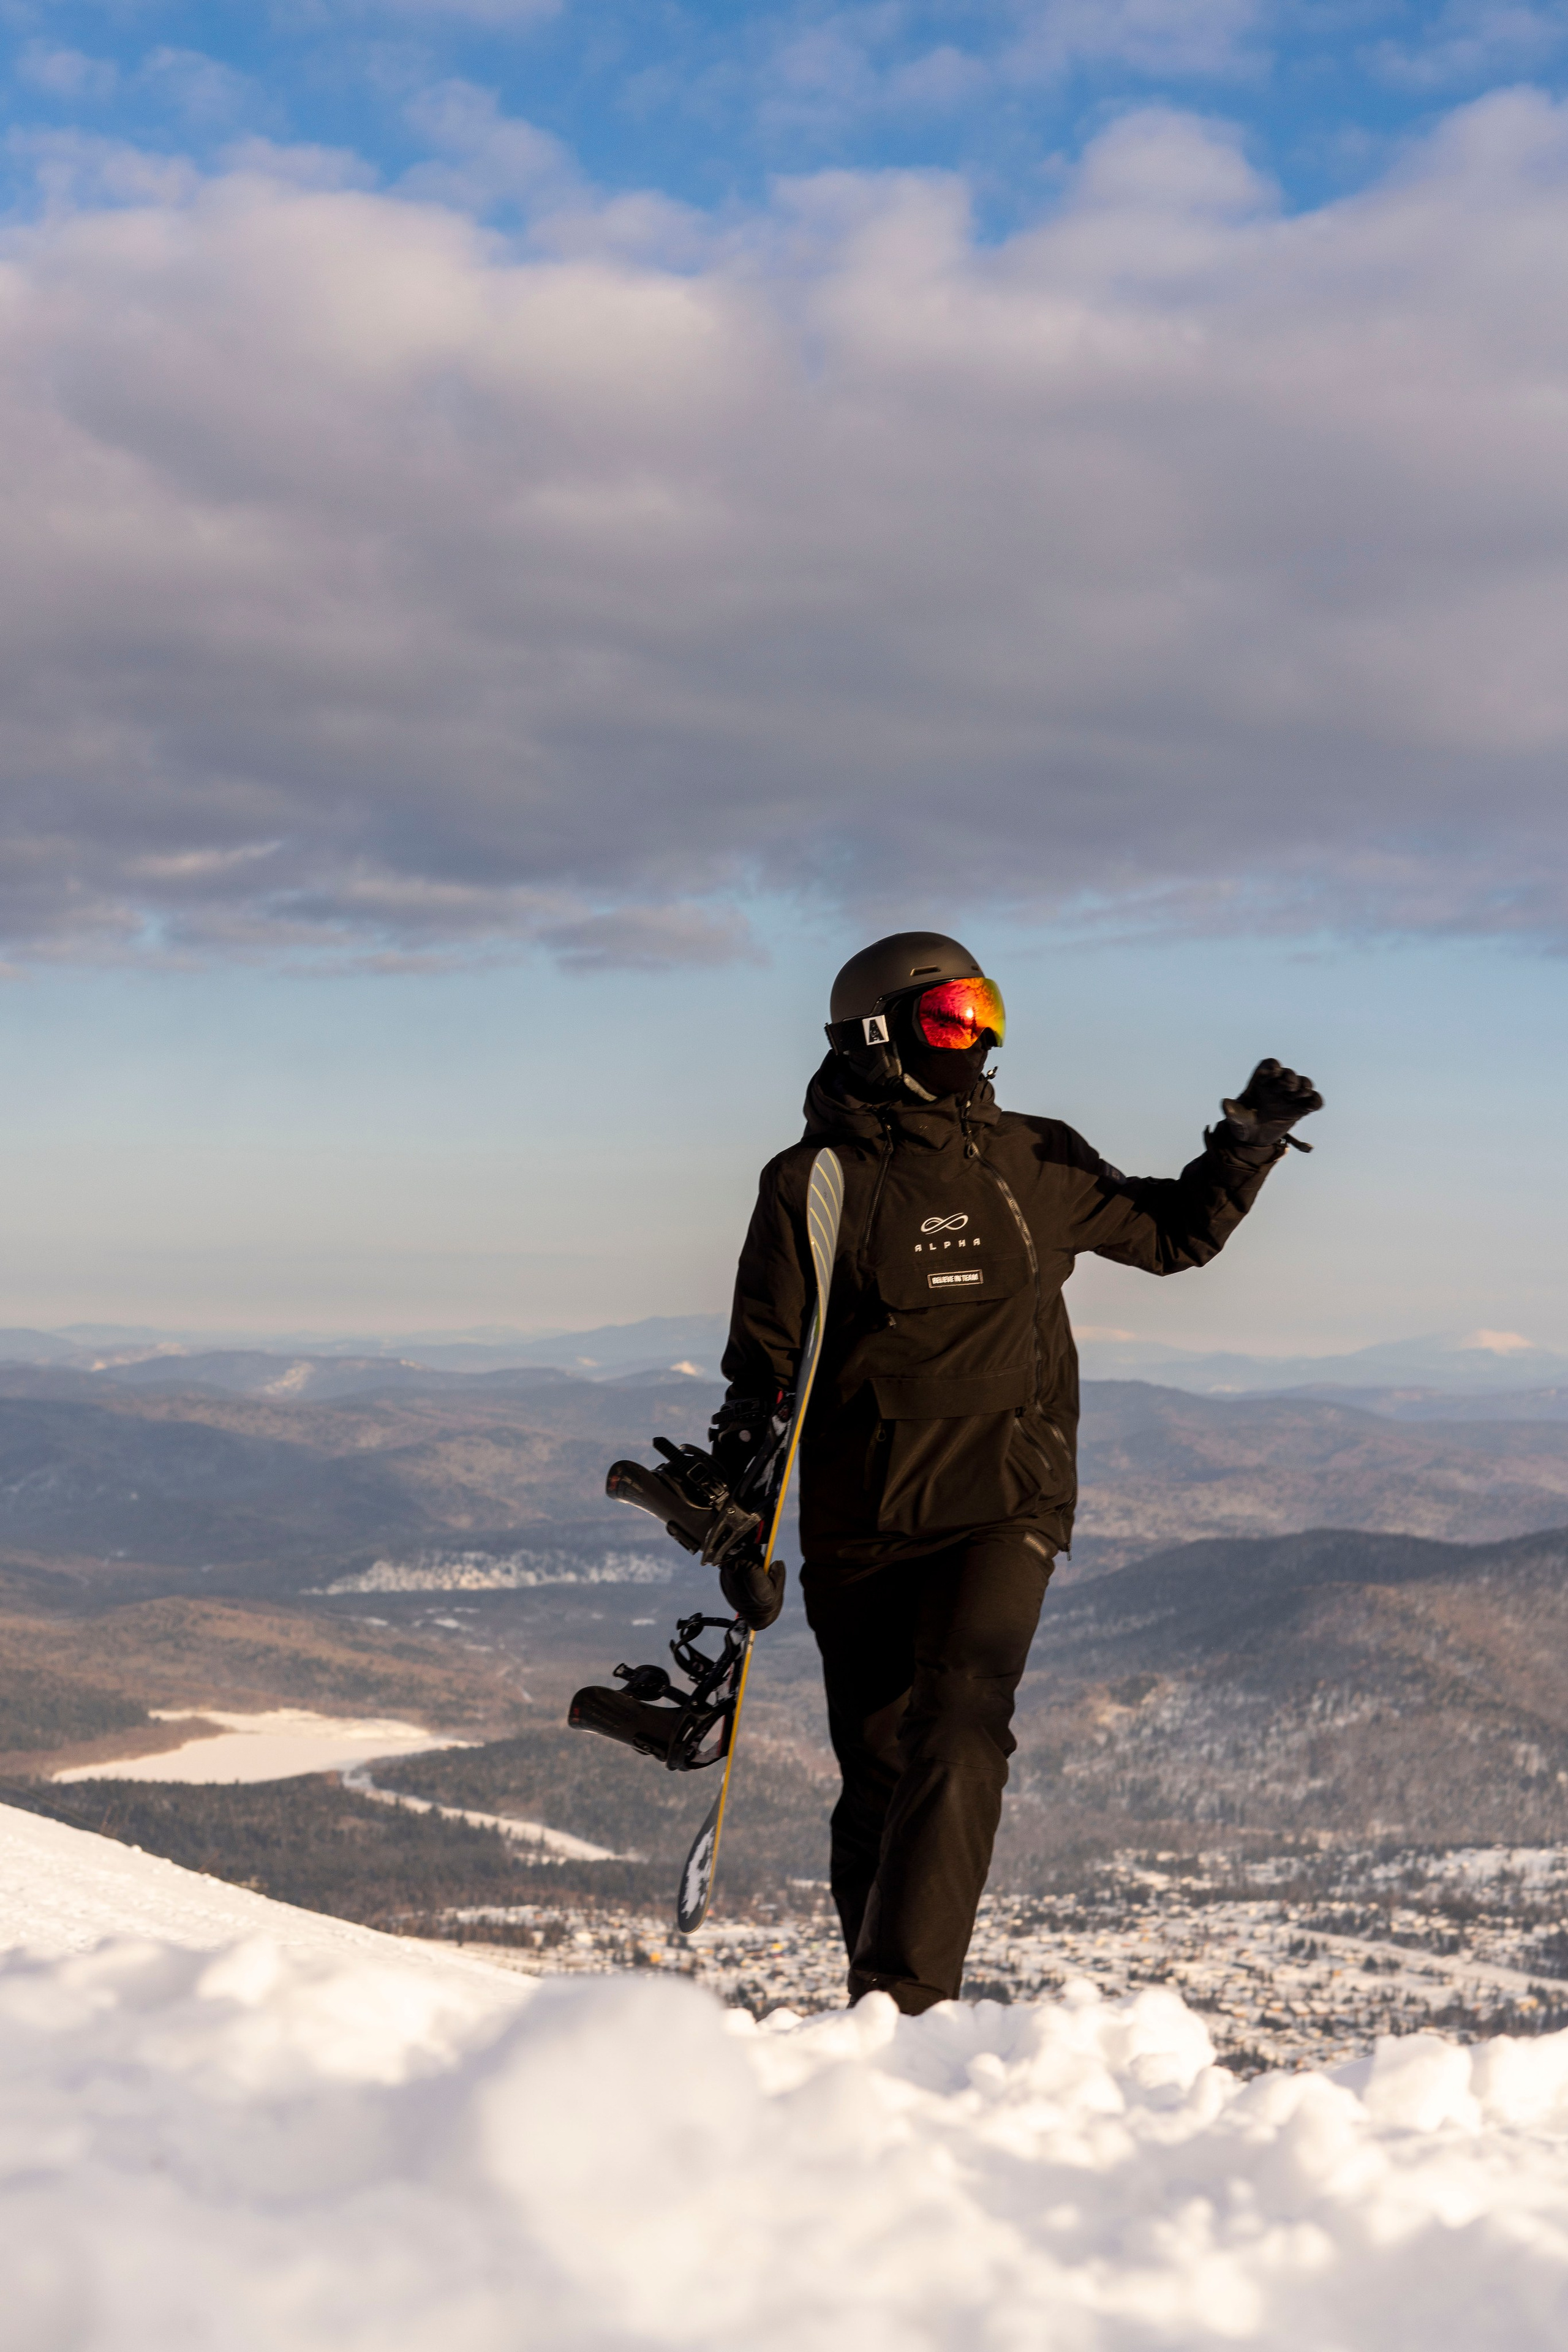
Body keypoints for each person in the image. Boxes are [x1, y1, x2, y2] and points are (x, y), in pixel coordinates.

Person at [709, 930, 1321, 2015]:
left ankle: (907, 1999)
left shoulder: (1036, 1157)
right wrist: (738, 1535)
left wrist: (1244, 1144)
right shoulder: (817, 1182)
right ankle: (875, 2028)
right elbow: (765, 1382)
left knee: (961, 1719)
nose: (978, 1039)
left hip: (1007, 1502)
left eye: (987, 1013)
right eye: (952, 1019)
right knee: (881, 1775)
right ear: (878, 1039)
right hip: (861, 1523)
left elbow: (1174, 1236)